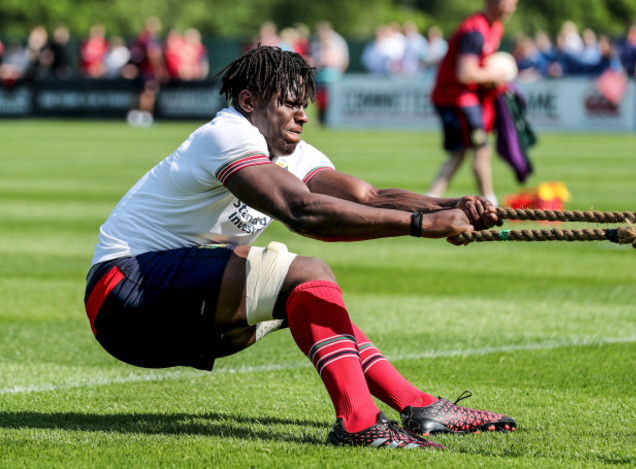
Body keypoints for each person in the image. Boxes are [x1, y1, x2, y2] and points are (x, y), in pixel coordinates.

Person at [84, 45, 515, 450]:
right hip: (123, 292)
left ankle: (418, 405)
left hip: (168, 300)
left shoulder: (291, 151)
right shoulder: (227, 134)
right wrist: (423, 224)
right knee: (308, 273)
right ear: (250, 101)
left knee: (309, 298)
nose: (302, 115)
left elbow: (368, 197)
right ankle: (360, 425)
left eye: (305, 104)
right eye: (289, 103)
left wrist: (452, 205)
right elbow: (302, 212)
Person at [427, 0, 518, 206]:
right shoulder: (474, 30)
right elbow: (465, 73)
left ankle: (429, 199)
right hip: (456, 98)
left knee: (459, 152)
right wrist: (496, 74)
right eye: (507, 2)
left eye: (515, 2)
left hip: (462, 98)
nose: (511, 7)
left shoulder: (495, 27)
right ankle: (490, 203)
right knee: (481, 149)